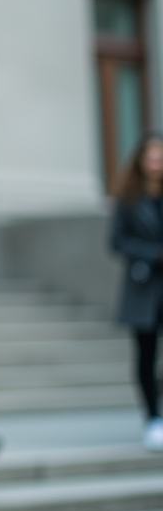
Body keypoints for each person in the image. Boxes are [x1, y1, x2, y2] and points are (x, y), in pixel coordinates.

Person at [109, 132, 163, 452]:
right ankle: (153, 416)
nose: (156, 163)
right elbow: (116, 242)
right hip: (144, 287)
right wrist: (152, 254)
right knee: (146, 355)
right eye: (151, 157)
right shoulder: (128, 198)